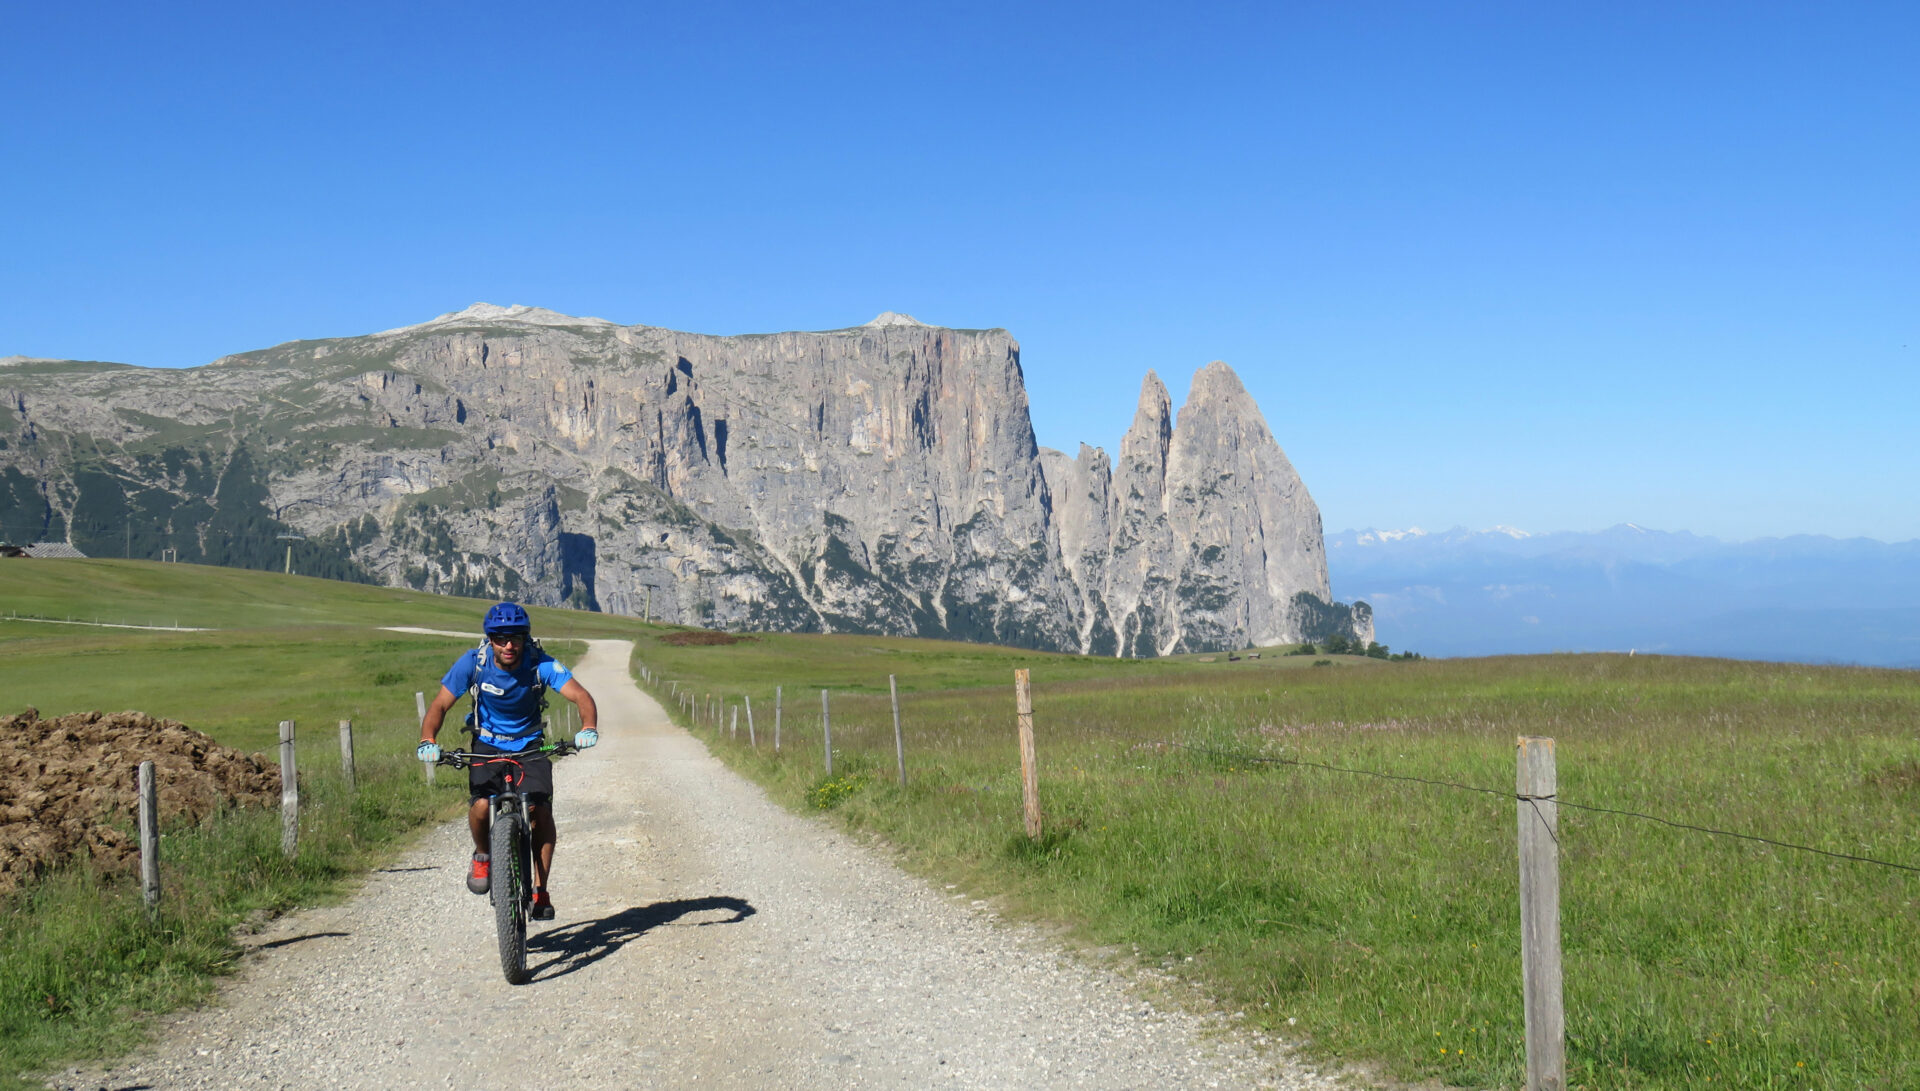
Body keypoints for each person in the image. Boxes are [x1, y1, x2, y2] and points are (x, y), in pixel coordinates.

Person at [416, 601, 598, 920]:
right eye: (500, 638)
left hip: (529, 745)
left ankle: (540, 892)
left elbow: (581, 697)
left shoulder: (540, 664)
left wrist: (588, 727)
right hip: (487, 743)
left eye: (515, 637)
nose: (508, 645)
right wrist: (428, 739)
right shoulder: (474, 662)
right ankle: (483, 854)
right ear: (490, 639)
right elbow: (440, 705)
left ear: (526, 637)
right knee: (482, 806)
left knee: (539, 811)